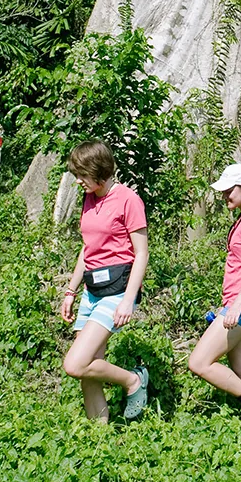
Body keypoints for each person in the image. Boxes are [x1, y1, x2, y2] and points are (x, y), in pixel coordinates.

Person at [59, 140, 150, 421]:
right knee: (88, 371)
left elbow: (142, 253)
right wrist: (70, 291)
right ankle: (99, 436)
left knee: (75, 364)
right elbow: (87, 248)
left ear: (98, 171)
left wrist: (128, 301)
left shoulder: (128, 200)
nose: (77, 180)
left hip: (117, 291)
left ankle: (133, 381)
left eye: (82, 174)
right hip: (91, 290)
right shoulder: (90, 198)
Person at [188, 163, 241, 420]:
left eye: (229, 190)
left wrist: (235, 306)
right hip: (240, 305)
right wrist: (228, 304)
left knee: (199, 362)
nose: (225, 195)